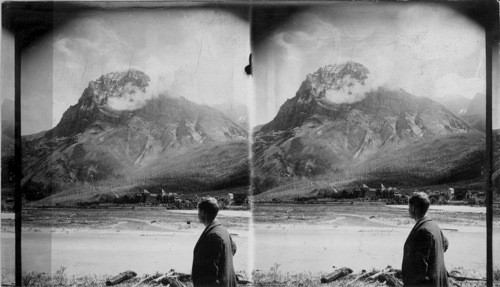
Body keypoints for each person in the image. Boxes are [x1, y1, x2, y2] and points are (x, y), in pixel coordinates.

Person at [402, 192, 449, 287]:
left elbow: (419, 267)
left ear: (414, 208)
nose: (408, 210)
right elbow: (445, 244)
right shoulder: (434, 225)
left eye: (409, 207)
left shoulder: (423, 230)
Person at [192, 197, 237, 287]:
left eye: (199, 211)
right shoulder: (222, 229)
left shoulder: (213, 235)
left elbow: (210, 273)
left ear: (203, 213)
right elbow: (233, 248)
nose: (197, 215)